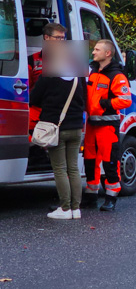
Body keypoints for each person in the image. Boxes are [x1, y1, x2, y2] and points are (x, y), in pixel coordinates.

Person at [30, 23, 86, 220]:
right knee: (73, 168)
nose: (62, 42)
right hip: (76, 127)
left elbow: (35, 98)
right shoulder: (79, 70)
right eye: (59, 38)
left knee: (60, 169)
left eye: (63, 39)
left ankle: (64, 208)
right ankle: (76, 209)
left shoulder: (50, 70)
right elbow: (84, 98)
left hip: (56, 127)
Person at [82, 39, 132, 211]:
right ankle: (91, 195)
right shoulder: (92, 72)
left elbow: (125, 100)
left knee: (110, 162)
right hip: (91, 124)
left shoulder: (117, 75)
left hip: (107, 126)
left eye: (97, 49)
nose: (93, 52)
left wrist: (105, 105)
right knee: (89, 161)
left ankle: (111, 197)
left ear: (107, 53)